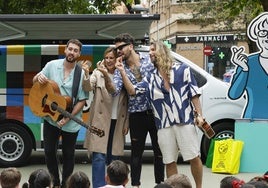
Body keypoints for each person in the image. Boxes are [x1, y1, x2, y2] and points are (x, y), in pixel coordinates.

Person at [115, 41, 204, 188]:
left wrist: (199, 115)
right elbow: (132, 91)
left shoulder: (183, 70)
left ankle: (199, 187)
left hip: (184, 121)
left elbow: (194, 94)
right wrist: (122, 72)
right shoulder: (150, 77)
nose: (150, 53)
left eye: (152, 50)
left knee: (194, 157)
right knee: (169, 161)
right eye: (149, 50)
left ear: (162, 52)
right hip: (163, 125)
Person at [104, 33, 164, 188]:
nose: (118, 52)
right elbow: (114, 91)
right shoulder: (119, 68)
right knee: (136, 154)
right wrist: (106, 76)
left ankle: (160, 184)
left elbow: (142, 88)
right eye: (116, 49)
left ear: (131, 46)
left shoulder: (148, 60)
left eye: (121, 48)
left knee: (159, 152)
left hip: (156, 112)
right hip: (137, 115)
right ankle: (135, 185)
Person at [32, 39, 89, 188]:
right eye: (70, 49)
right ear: (65, 50)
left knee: (68, 155)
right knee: (49, 152)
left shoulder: (81, 73)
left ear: (79, 54)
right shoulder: (51, 65)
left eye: (76, 50)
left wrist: (67, 118)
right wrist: (38, 78)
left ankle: (66, 184)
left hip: (71, 120)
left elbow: (82, 100)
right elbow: (34, 81)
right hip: (50, 118)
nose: (72, 52)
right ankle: (55, 183)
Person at [82, 47, 129, 188]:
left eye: (111, 58)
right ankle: (98, 186)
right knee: (98, 157)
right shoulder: (98, 73)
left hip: (118, 120)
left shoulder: (123, 74)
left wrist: (127, 122)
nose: (109, 61)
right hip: (100, 121)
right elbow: (87, 87)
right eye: (106, 58)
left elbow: (129, 101)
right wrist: (85, 73)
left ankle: (115, 185)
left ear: (117, 59)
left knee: (114, 157)